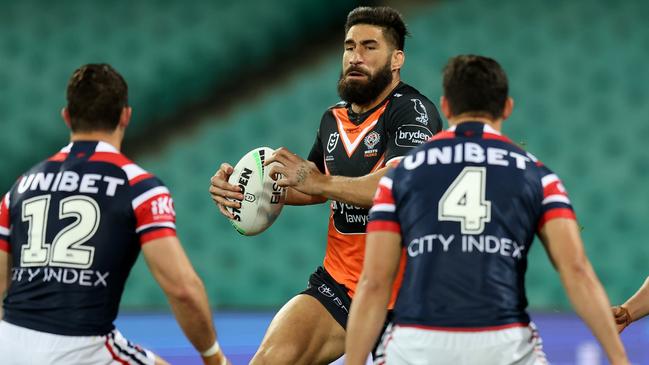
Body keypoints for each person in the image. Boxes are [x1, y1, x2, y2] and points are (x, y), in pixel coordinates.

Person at [344, 55, 629, 365]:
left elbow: (374, 283)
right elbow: (576, 272)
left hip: (418, 342)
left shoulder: (401, 175)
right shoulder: (538, 175)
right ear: (507, 107)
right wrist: (618, 358)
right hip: (502, 341)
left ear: (447, 107)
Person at [209, 6, 442, 364]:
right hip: (342, 285)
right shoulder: (332, 118)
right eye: (349, 47)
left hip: (407, 295)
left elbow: (397, 186)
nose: (355, 57)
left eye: (369, 47)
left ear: (397, 60)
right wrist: (247, 190)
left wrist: (317, 180)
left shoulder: (412, 111)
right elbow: (310, 186)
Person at [0, 64, 229, 365]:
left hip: (9, 343)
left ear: (67, 116)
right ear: (125, 116)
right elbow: (182, 288)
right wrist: (213, 356)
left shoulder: (19, 188)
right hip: (81, 349)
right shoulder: (140, 187)